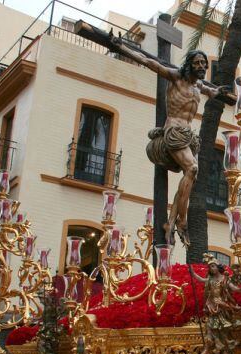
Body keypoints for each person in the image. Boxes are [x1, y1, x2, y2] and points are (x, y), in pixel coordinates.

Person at [98, 29, 231, 246]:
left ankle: (171, 222)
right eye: (197, 63)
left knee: (190, 176)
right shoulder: (176, 77)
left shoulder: (199, 86)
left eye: (204, 64)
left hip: (189, 136)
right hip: (174, 131)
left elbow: (213, 92)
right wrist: (120, 47)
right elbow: (148, 62)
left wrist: (221, 92)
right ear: (189, 64)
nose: (202, 66)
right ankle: (182, 221)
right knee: (192, 169)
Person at [191, 255, 241, 354]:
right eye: (210, 267)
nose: (211, 268)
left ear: (218, 267)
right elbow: (201, 279)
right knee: (210, 327)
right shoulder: (210, 280)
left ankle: (226, 350)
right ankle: (209, 349)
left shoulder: (224, 278)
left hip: (223, 306)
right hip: (212, 306)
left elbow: (232, 287)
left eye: (213, 266)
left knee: (223, 329)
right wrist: (192, 272)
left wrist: (239, 290)